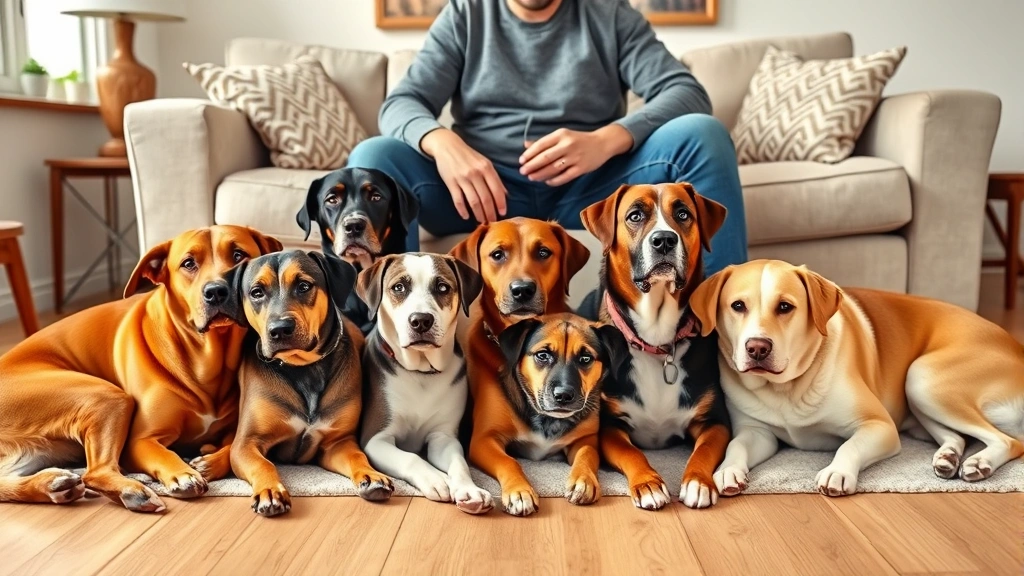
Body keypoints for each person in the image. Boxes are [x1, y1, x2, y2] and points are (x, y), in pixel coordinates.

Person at [346, 0, 747, 274]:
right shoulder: (466, 12)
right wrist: (442, 142)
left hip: (592, 189)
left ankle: (721, 327)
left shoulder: (608, 12)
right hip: (480, 196)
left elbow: (687, 92)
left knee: (702, 134)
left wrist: (607, 140)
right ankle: (383, 338)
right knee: (374, 157)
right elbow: (400, 104)